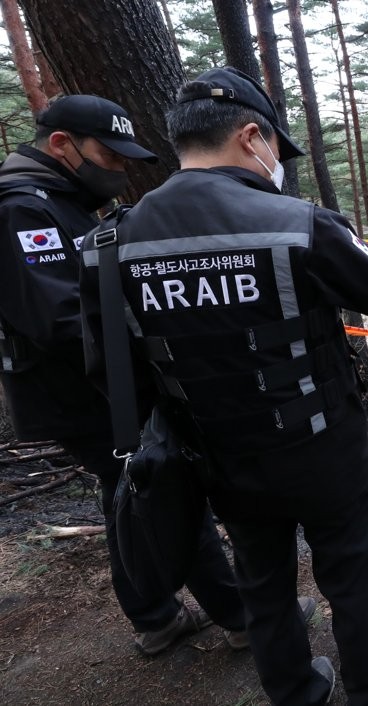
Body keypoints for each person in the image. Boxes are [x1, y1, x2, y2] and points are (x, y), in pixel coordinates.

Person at [79, 67, 368, 706]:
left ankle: (297, 693)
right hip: (320, 444)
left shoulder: (107, 244)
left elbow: (107, 369)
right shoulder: (296, 223)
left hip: (215, 454)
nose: (277, 160)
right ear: (252, 137)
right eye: (276, 144)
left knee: (261, 580)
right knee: (352, 576)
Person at [0, 95, 249, 655]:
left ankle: (156, 616)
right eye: (109, 157)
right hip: (81, 390)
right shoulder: (23, 207)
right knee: (164, 484)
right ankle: (241, 615)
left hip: (96, 383)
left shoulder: (62, 200)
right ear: (62, 144)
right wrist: (153, 337)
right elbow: (60, 317)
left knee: (126, 490)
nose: (118, 170)